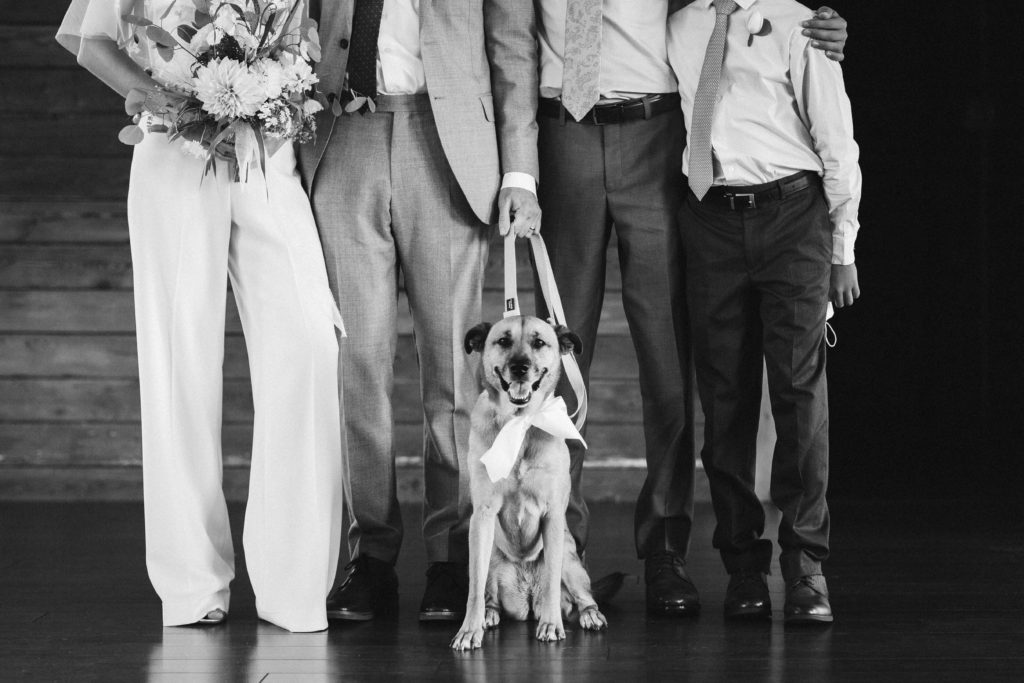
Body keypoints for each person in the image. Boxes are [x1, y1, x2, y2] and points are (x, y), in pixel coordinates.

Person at [530, 0, 847, 617]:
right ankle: (559, 552)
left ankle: (666, 551)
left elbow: (745, 17)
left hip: (655, 138)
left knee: (668, 366)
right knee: (558, 361)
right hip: (560, 133)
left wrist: (825, 23)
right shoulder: (679, 22)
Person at [56, 0, 346, 632]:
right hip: (172, 152)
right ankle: (192, 584)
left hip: (267, 158)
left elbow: (307, 42)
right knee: (175, 358)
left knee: (309, 342)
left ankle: (294, 584)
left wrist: (282, 89)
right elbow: (89, 39)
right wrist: (151, 95)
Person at [298, 1, 541, 622]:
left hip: (448, 144)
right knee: (357, 367)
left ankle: (453, 558)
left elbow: (512, 43)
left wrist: (518, 170)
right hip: (340, 136)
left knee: (455, 375)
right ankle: (371, 556)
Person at [667, 0, 861, 623]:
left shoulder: (799, 20)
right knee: (723, 396)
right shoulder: (678, 23)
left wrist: (843, 246)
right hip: (709, 217)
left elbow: (836, 136)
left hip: (792, 214)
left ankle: (805, 565)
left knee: (799, 392)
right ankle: (742, 566)